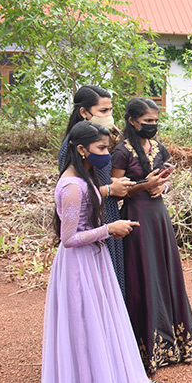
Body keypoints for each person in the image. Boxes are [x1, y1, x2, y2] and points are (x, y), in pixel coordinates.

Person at [37, 120, 153, 383]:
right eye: (101, 148)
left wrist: (107, 203)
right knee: (83, 328)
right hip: (79, 266)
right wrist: (108, 229)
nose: (106, 154)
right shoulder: (72, 186)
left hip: (92, 261)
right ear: (81, 150)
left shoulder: (81, 177)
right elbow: (69, 238)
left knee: (97, 324)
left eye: (107, 148)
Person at [111, 98, 192, 383]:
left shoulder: (159, 148)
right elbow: (116, 191)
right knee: (145, 275)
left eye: (155, 120)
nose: (152, 125)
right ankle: (148, 346)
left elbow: (165, 180)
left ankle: (175, 343)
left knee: (164, 272)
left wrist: (162, 186)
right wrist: (143, 186)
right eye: (147, 120)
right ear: (132, 120)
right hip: (136, 217)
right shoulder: (122, 151)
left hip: (159, 215)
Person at [57, 85, 135, 296]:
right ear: (84, 112)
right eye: (103, 110)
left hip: (107, 214)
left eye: (110, 110)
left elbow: (93, 178)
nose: (109, 115)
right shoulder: (72, 147)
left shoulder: (98, 140)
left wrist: (115, 183)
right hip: (92, 223)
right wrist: (109, 189)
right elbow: (73, 192)